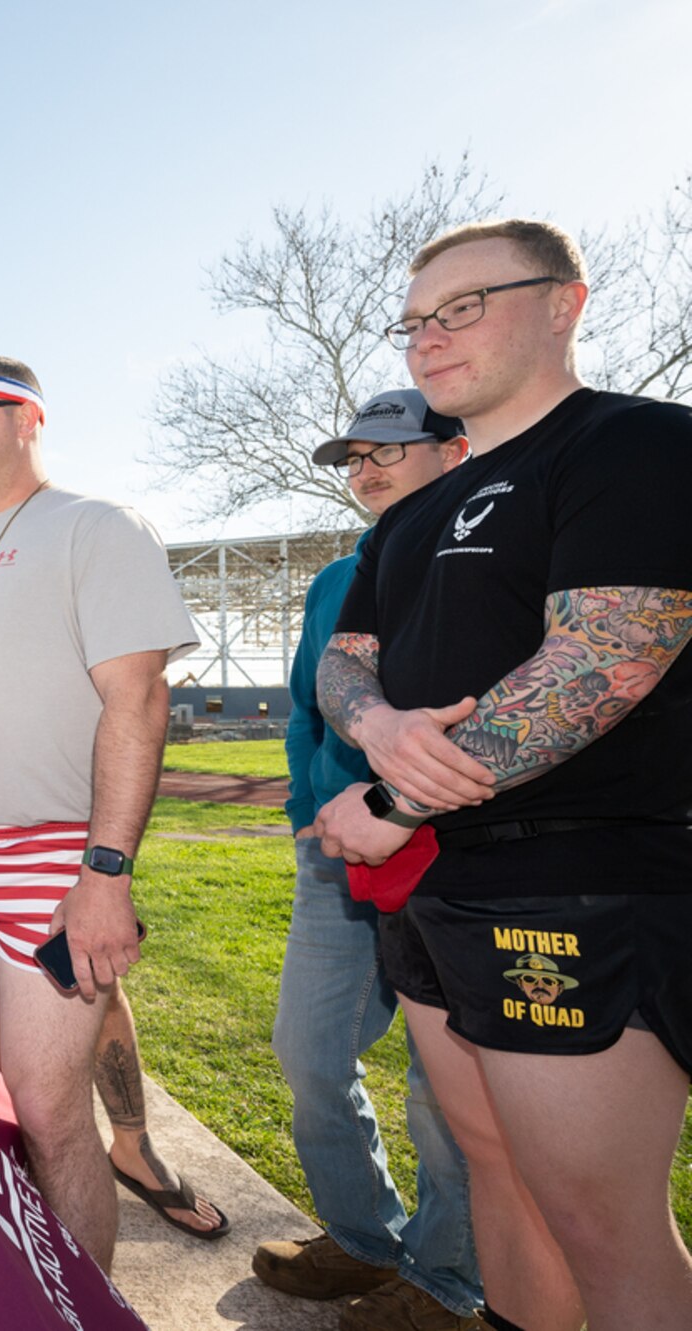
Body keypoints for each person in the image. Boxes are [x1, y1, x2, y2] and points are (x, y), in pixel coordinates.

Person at [313, 219, 692, 1331]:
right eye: (415, 320)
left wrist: (390, 797)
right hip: (437, 888)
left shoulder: (633, 446)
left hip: (578, 875)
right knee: (495, 1173)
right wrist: (375, 725)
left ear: (564, 302)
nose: (428, 338)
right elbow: (345, 665)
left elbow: (602, 659)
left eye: (462, 308)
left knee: (598, 1217)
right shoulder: (413, 511)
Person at [0, 357, 224, 1271]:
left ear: (30, 419)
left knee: (52, 1109)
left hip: (55, 851)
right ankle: (29, 1268)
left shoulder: (95, 527)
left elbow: (137, 701)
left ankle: (84, 1299)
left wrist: (104, 873)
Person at [257, 392, 482, 1331]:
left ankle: (449, 1281)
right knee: (309, 1052)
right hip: (336, 861)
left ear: (456, 450)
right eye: (354, 456)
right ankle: (361, 1236)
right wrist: (314, 810)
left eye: (390, 447)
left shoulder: (489, 563)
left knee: (448, 1087)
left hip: (456, 853)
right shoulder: (334, 579)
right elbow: (310, 709)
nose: (367, 468)